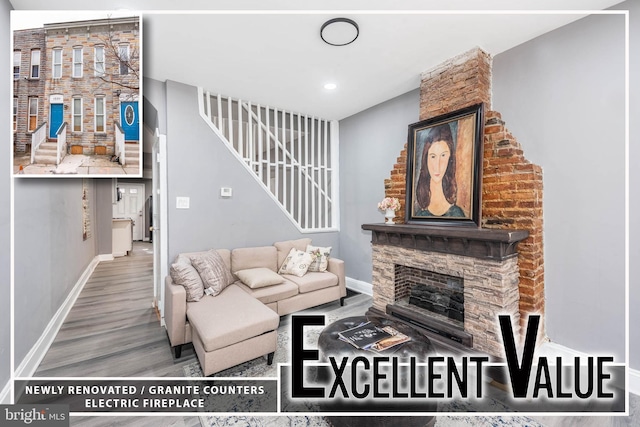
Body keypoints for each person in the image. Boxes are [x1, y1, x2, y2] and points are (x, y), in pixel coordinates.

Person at [414, 123, 465, 217]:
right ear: (426, 159)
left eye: (443, 155)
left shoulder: (457, 214)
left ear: (450, 159)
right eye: (433, 156)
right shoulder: (418, 214)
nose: (437, 165)